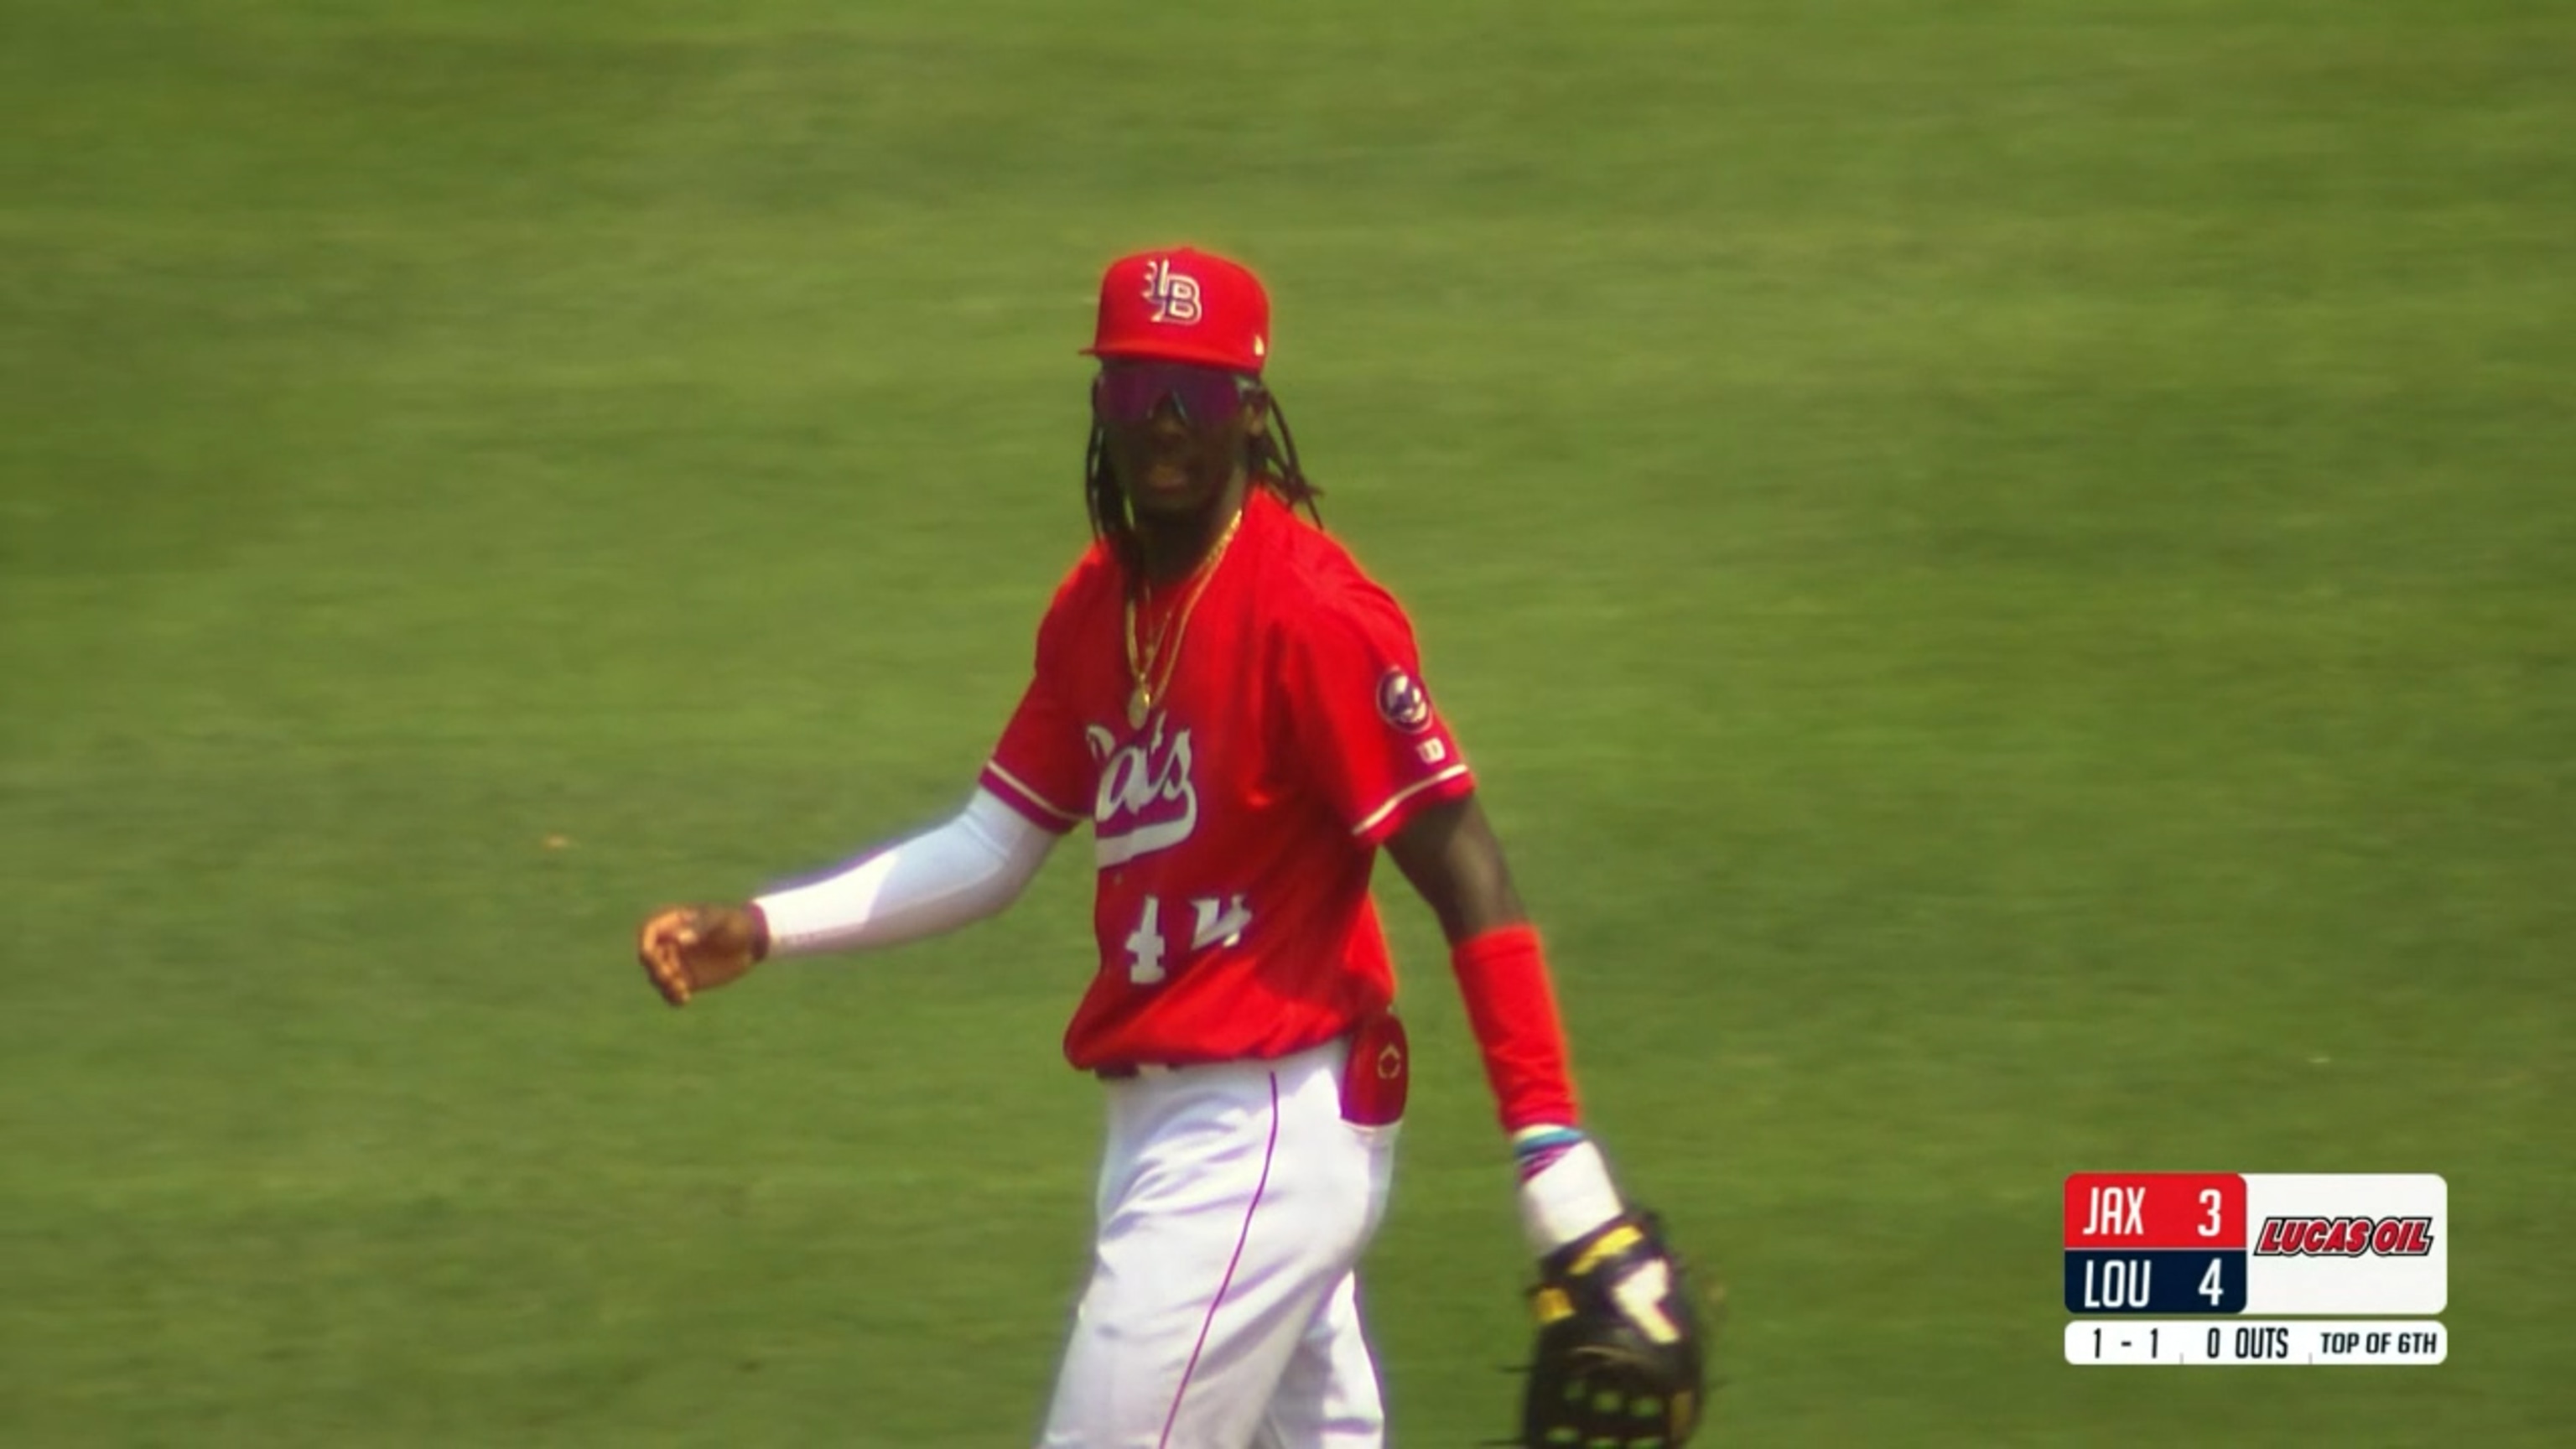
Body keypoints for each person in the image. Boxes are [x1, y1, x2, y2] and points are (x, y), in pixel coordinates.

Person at [636, 247, 1668, 1448]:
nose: (1166, 423)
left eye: (1198, 392)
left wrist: (1555, 1157)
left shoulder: (1311, 615)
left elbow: (1468, 866)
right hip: (1172, 1140)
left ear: (1251, 410)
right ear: (1099, 408)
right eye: (1136, 391)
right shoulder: (1099, 607)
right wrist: (766, 927)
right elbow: (992, 845)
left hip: (1262, 1137)